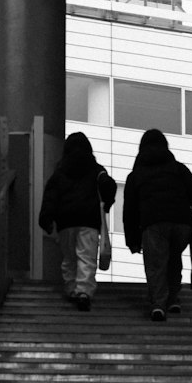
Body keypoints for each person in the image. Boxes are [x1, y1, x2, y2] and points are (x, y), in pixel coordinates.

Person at [123, 128, 192, 321]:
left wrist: (133, 240)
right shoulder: (178, 168)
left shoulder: (136, 176)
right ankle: (173, 299)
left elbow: (130, 212)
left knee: (157, 264)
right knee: (174, 259)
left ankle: (159, 304)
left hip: (154, 223)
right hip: (182, 225)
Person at [38, 132, 117, 311]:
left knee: (69, 257)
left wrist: (46, 218)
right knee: (86, 257)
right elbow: (109, 185)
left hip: (65, 221)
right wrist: (107, 204)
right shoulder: (96, 169)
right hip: (89, 220)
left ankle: (71, 288)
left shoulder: (59, 172)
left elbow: (51, 196)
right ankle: (83, 291)